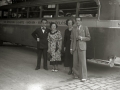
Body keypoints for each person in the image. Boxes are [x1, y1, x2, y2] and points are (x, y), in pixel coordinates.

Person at [70, 17, 91, 82]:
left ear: (81, 21)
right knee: (75, 62)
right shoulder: (73, 29)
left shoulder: (85, 28)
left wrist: (81, 38)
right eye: (76, 21)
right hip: (75, 47)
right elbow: (72, 39)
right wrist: (71, 48)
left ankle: (83, 76)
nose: (77, 22)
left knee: (82, 62)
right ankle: (76, 75)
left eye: (79, 21)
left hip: (82, 47)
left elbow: (89, 38)